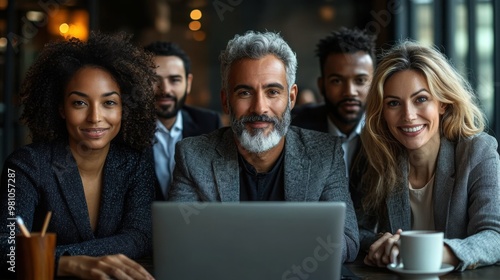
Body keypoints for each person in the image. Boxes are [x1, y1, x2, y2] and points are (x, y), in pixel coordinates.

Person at [168, 30, 359, 263]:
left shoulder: (325, 154)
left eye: (272, 92)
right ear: (226, 100)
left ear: (291, 98)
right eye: (245, 92)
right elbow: (177, 240)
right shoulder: (193, 156)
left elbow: (347, 240)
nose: (260, 108)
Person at [0, 31, 156, 279]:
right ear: (61, 108)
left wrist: (61, 255)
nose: (95, 117)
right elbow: (6, 253)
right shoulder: (25, 166)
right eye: (79, 103)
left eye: (109, 103)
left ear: (124, 108)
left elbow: (141, 236)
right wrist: (67, 264)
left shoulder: (134, 161)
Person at [355, 40, 500, 271]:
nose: (409, 116)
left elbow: (494, 237)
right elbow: (355, 229)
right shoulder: (376, 154)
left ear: (442, 102)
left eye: (421, 99)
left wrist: (423, 251)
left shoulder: (478, 151)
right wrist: (386, 245)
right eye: (394, 103)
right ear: (383, 112)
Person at [144, 41, 222, 200]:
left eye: (174, 80)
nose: (165, 90)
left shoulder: (209, 124)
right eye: (154, 80)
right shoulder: (125, 130)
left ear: (188, 83)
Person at [292, 27, 376, 175]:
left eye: (360, 80)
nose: (349, 91)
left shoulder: (387, 133)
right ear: (321, 85)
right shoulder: (294, 129)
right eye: (337, 81)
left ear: (374, 85)